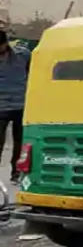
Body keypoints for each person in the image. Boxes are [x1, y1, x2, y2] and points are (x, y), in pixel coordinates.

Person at [0, 31, 31, 182]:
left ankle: (16, 172)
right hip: (1, 107)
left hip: (21, 104)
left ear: (5, 44)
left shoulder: (23, 55)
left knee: (20, 141)